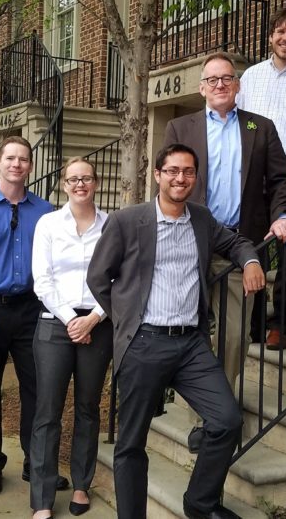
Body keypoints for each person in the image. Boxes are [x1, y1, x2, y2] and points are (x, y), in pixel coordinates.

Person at [87, 143, 265, 519]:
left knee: (226, 421)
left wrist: (249, 260)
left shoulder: (200, 219)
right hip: (144, 343)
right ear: (157, 175)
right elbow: (98, 278)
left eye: (187, 172)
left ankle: (200, 504)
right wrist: (128, 320)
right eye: (172, 171)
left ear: (195, 178)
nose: (180, 178)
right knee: (131, 443)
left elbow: (234, 242)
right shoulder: (126, 221)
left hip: (191, 344)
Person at [163, 51, 286, 450]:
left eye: (227, 79)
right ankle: (210, 409)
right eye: (212, 80)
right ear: (202, 87)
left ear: (237, 86)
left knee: (235, 336)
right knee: (189, 331)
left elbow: (281, 181)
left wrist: (283, 215)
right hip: (189, 244)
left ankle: (214, 410)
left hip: (241, 245)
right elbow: (168, 182)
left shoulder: (261, 127)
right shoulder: (180, 127)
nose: (220, 85)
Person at [0, 136, 68, 494]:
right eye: (9, 158)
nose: (16, 164)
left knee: (38, 388)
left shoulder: (45, 212)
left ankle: (35, 462)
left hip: (32, 309)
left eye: (23, 159)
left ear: (30, 166)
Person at [29, 157, 112, 519]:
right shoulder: (48, 224)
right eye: (73, 179)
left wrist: (92, 318)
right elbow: (42, 280)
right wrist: (70, 320)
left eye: (87, 178)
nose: (80, 184)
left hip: (98, 322)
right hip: (54, 324)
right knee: (47, 413)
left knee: (88, 409)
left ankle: (81, 484)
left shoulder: (112, 225)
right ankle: (42, 499)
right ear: (64, 184)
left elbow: (117, 279)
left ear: (96, 183)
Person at [237, 7, 286, 349]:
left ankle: (281, 323)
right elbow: (237, 120)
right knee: (252, 244)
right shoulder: (251, 76)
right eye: (280, 31)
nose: (285, 38)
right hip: (254, 170)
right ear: (270, 36)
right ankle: (253, 322)